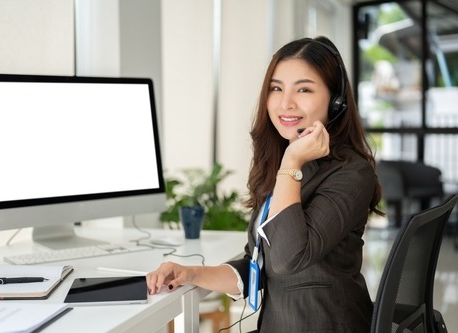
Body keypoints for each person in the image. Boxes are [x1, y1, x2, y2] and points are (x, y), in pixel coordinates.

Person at [146, 36, 383, 332]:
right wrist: (191, 272)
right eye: (276, 88)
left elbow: (287, 259)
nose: (286, 103)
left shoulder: (350, 173)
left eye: (304, 89)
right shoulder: (283, 161)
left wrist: (291, 164)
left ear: (336, 102)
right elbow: (257, 263)